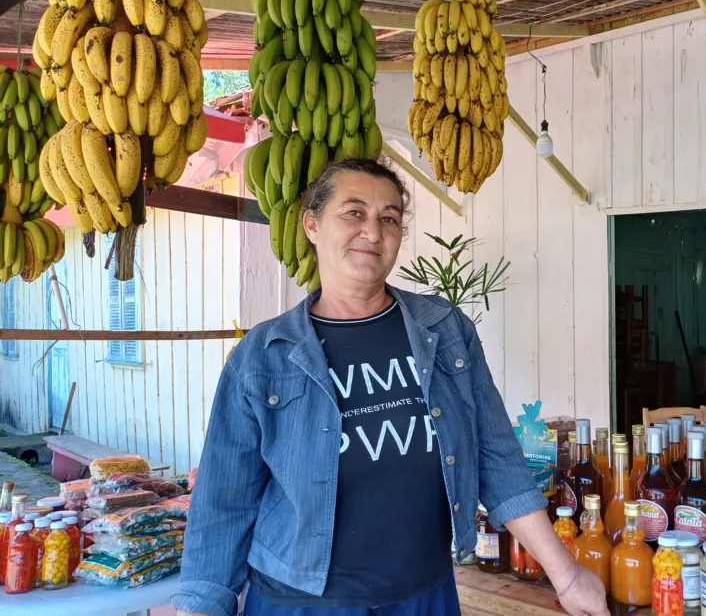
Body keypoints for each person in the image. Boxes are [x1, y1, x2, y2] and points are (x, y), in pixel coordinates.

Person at [173, 159, 608, 616]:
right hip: (300, 602)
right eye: (353, 212)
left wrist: (568, 574)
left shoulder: (445, 331)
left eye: (389, 218)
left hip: (424, 593)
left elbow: (497, 459)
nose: (373, 231)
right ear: (313, 224)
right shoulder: (263, 355)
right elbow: (223, 504)